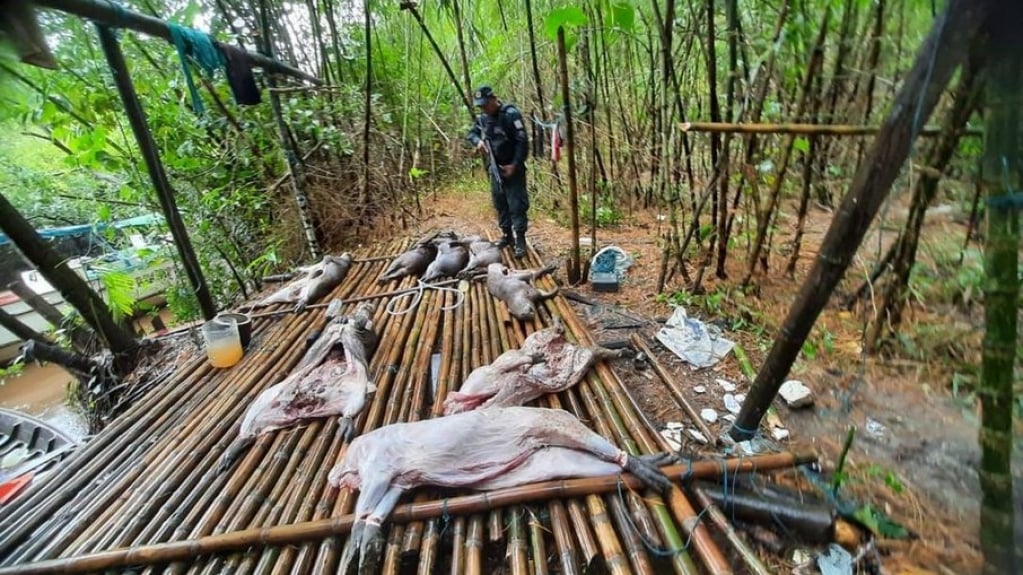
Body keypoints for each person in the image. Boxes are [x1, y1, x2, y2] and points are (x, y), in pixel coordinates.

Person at [466, 85, 530, 259]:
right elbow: (471, 134)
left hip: (513, 168)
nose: (484, 108)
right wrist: (478, 141)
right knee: (500, 203)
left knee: (517, 204)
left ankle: (521, 240)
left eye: (486, 104)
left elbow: (522, 142)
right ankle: (507, 236)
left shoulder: (510, 114)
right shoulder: (483, 119)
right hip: (495, 168)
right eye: (481, 106)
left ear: (494, 99)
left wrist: (515, 165)